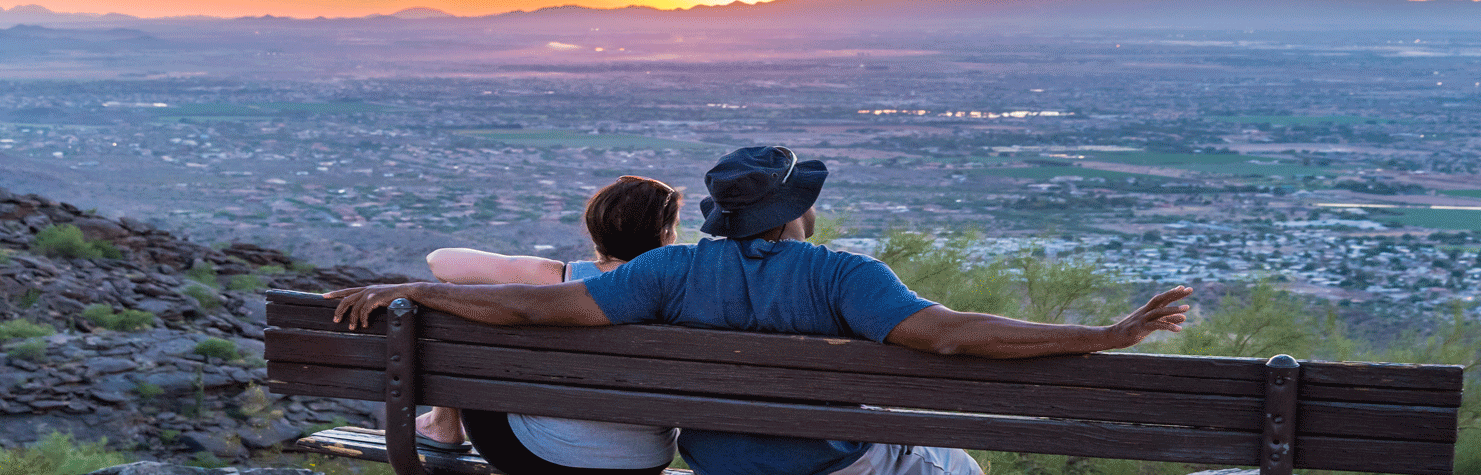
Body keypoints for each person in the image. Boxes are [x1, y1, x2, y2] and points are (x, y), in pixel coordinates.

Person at [328, 146, 1193, 475]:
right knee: (951, 465)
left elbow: (539, 310)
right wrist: (1107, 335)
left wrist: (422, 290)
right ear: (792, 215)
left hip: (721, 462)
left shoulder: (663, 273)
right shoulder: (844, 276)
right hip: (825, 465)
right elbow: (952, 336)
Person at [412, 175, 685, 475]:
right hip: (645, 462)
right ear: (667, 235)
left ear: (595, 230)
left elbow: (440, 261)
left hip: (537, 457)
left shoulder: (561, 279)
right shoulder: (685, 292)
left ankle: (441, 425)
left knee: (470, 304)